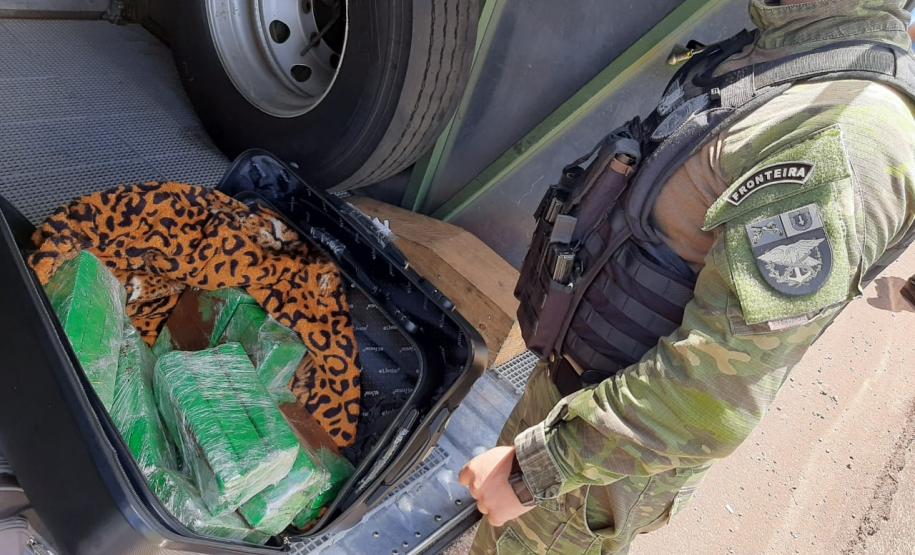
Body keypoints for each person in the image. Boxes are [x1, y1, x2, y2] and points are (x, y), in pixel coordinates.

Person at [459, 1, 915, 553]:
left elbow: (717, 389)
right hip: (578, 400)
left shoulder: (843, 135)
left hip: (602, 460)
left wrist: (534, 471)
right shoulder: (795, 46)